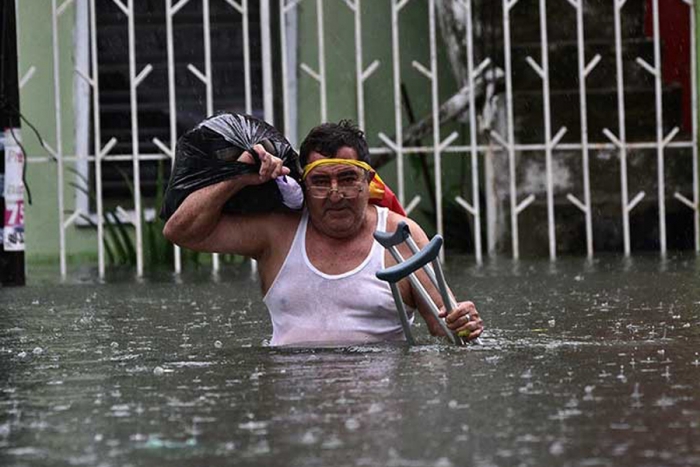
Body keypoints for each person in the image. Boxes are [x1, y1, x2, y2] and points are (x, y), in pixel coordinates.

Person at [163, 120, 483, 346]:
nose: (335, 194)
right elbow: (181, 232)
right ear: (303, 186)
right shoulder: (278, 232)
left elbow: (446, 325)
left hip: (376, 410)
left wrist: (464, 323)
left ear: (368, 181)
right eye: (320, 182)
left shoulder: (399, 234)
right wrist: (243, 176)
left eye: (347, 179)